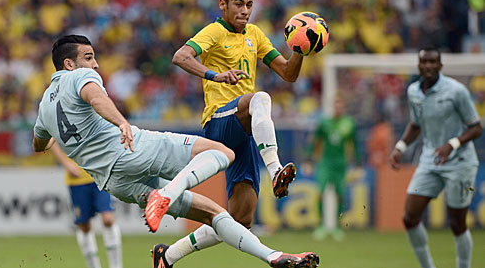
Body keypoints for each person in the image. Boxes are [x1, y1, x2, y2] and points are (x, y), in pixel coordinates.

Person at [33, 34, 319, 268]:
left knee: (214, 214)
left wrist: (65, 139)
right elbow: (96, 99)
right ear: (68, 64)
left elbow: (39, 144)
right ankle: (166, 195)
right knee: (223, 153)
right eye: (88, 57)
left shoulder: (44, 107)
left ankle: (272, 256)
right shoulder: (79, 77)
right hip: (132, 149)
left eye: (94, 57)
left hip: (113, 182)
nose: (94, 65)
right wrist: (121, 122)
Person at [159, 0, 311, 267]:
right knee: (259, 99)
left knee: (240, 219)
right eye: (239, 4)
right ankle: (276, 169)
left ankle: (167, 255)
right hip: (218, 121)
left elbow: (289, 74)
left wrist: (300, 48)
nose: (245, 10)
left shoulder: (255, 33)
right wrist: (215, 75)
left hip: (242, 131)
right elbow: (181, 56)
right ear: (223, 5)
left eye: (249, 5)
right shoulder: (215, 31)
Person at [389, 47, 482, 268]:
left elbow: (476, 127)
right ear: (419, 65)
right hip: (430, 161)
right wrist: (400, 146)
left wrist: (452, 144)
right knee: (409, 217)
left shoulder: (456, 91)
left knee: (457, 223)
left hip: (460, 162)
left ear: (440, 65)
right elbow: (415, 123)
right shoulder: (413, 91)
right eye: (424, 62)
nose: (428, 66)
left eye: (433, 62)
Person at [51, 144, 122, 268]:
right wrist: (65, 163)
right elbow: (49, 139)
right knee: (84, 226)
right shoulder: (56, 123)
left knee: (108, 219)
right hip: (76, 180)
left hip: (98, 174)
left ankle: (116, 266)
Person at [309, 97, 361, 241]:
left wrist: (358, 162)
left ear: (343, 108)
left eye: (341, 106)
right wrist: (309, 158)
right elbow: (315, 141)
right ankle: (320, 226)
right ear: (333, 107)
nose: (338, 109)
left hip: (341, 163)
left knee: (340, 194)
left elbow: (355, 143)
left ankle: (337, 227)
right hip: (325, 162)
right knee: (320, 191)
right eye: (336, 106)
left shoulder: (349, 123)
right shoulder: (324, 123)